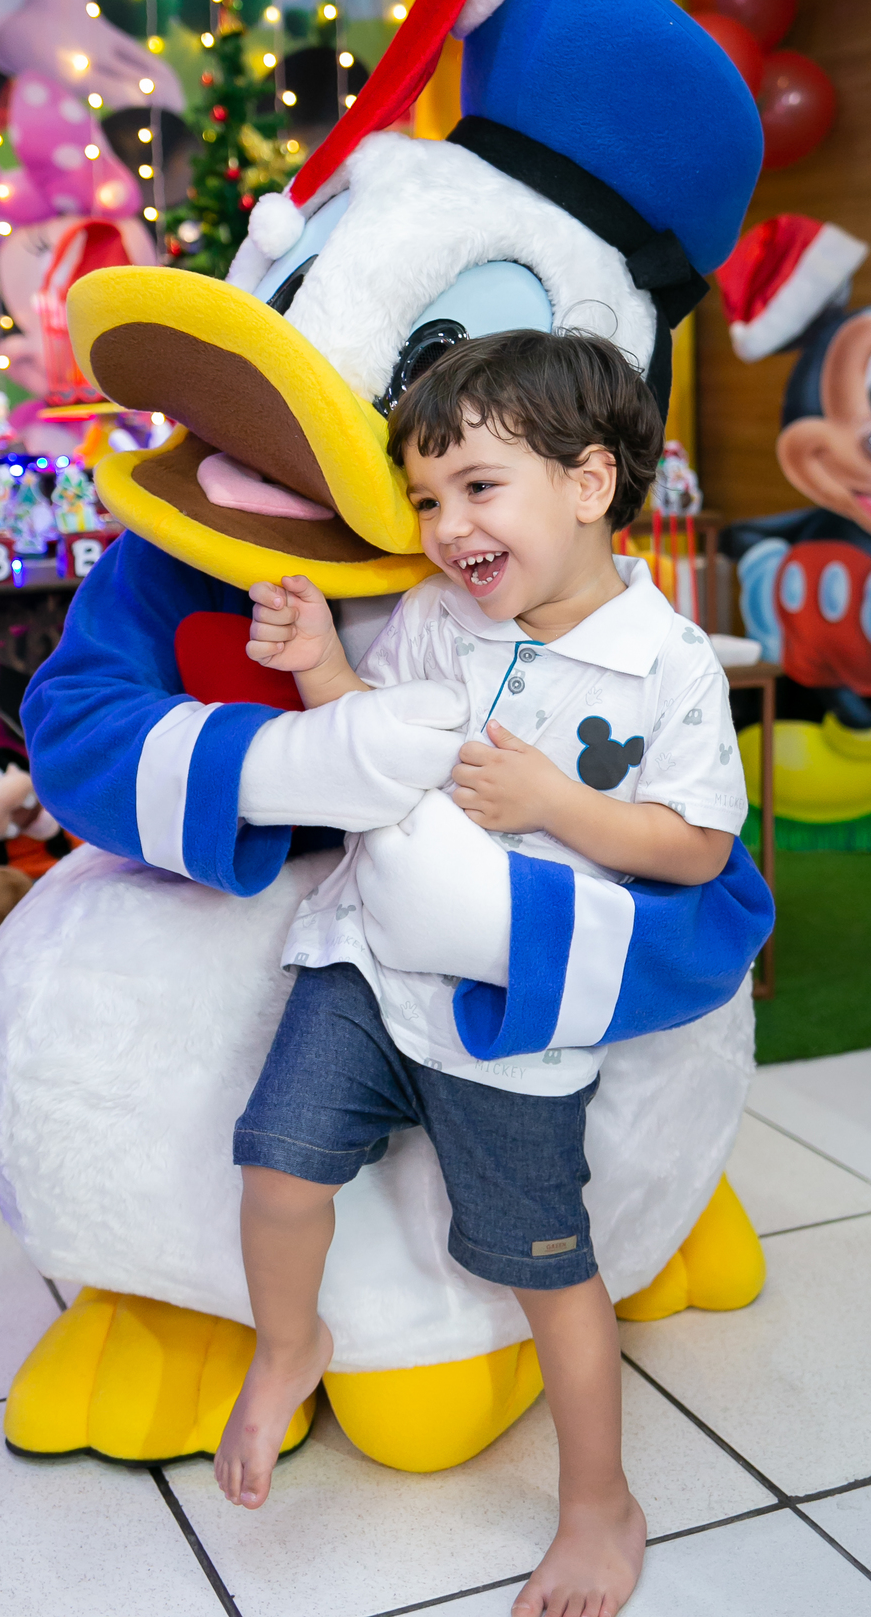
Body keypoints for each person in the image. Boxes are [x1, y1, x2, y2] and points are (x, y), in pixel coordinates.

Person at [215, 329, 748, 1617]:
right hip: (372, 953)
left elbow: (697, 846)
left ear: (587, 481)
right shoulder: (439, 619)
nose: (446, 525)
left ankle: (598, 1501)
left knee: (542, 1262)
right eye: (426, 499)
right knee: (278, 1160)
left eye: (476, 488)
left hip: (519, 1006)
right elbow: (373, 733)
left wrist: (557, 803)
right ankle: (291, 1345)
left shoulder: (669, 665)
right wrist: (316, 668)